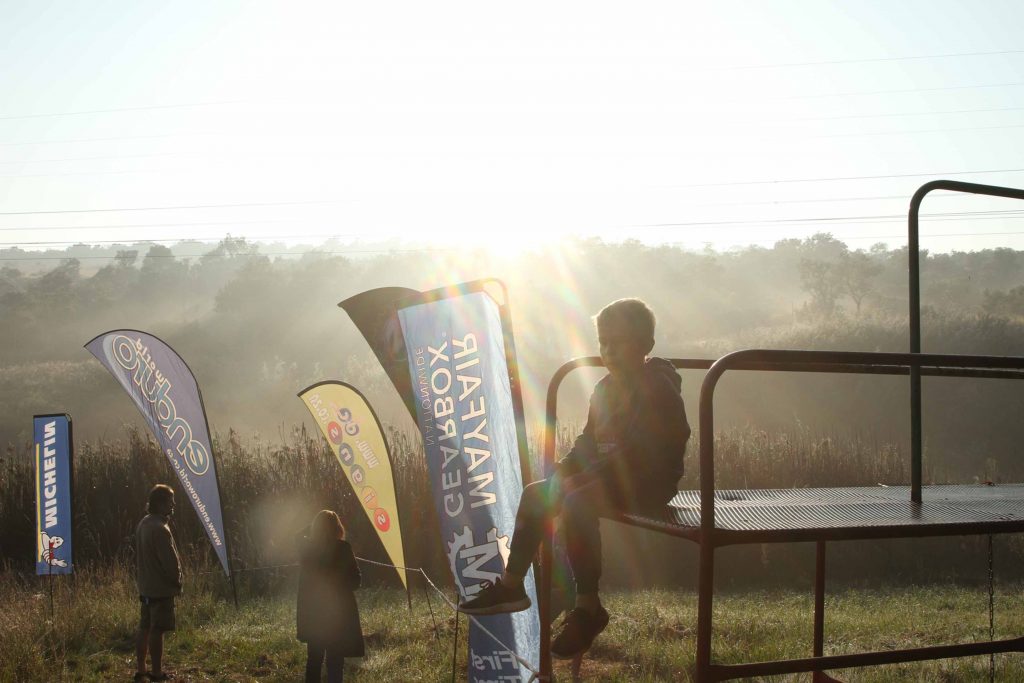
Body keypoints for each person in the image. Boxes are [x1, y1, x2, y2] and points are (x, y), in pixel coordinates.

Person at [458, 298, 691, 659]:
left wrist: (579, 481)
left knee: (578, 499)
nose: (609, 351)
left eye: (619, 342)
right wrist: (563, 471)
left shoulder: (658, 389)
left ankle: (588, 608)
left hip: (649, 483)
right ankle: (511, 585)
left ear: (646, 345)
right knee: (537, 494)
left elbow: (639, 453)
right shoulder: (604, 389)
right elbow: (587, 442)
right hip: (607, 478)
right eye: (604, 342)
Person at [296, 510, 365, 683]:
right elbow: (356, 581)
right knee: (335, 661)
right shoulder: (343, 548)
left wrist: (315, 526)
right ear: (337, 528)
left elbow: (297, 536)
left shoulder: (308, 549)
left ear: (315, 527)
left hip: (314, 615)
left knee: (314, 661)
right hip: (337, 615)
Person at [134, 484, 183, 682]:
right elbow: (170, 563)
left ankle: (141, 669)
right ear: (161, 503)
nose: (173, 505)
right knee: (157, 630)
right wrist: (177, 582)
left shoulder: (143, 523)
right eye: (170, 501)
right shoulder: (161, 529)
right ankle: (156, 672)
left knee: (144, 627)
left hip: (146, 587)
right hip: (161, 589)